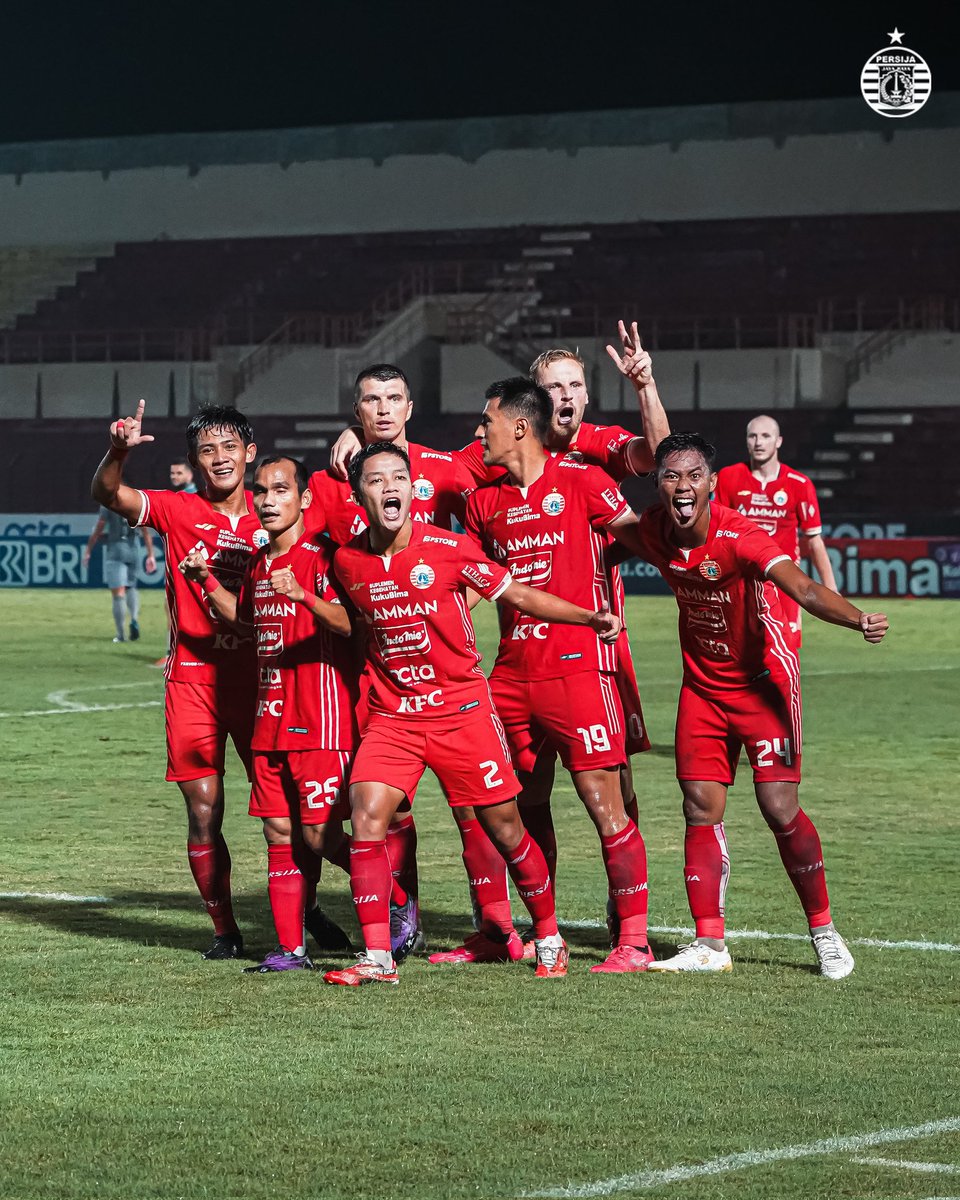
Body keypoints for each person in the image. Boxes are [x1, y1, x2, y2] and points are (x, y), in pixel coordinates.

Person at [323, 441, 623, 987]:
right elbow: (352, 624)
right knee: (365, 816)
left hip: (462, 711)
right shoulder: (348, 560)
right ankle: (378, 959)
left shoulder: (451, 548)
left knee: (505, 829)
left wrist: (587, 616)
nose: (389, 487)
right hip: (395, 717)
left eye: (398, 478)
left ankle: (549, 937)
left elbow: (520, 596)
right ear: (359, 492)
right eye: (376, 480)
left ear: (412, 489)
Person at [629, 432, 887, 978]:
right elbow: (597, 533)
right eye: (671, 476)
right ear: (658, 487)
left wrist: (856, 618)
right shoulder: (652, 530)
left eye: (694, 475)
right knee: (699, 809)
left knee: (778, 808)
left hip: (763, 684)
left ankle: (823, 931)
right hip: (701, 690)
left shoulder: (739, 536)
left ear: (712, 484)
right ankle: (709, 943)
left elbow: (804, 589)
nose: (682, 485)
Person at [458, 377, 659, 973]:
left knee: (605, 803)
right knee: (496, 803)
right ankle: (512, 931)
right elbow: (469, 585)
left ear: (519, 426)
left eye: (487, 420)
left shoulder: (584, 482)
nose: (479, 431)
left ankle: (634, 941)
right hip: (511, 674)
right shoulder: (481, 503)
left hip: (578, 669)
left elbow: (643, 540)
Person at [92, 400, 262, 960]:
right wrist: (118, 449)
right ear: (194, 461)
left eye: (229, 447)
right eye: (207, 450)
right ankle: (224, 930)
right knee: (204, 807)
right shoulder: (177, 510)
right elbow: (108, 494)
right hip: (193, 682)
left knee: (287, 811)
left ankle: (303, 907)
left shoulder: (275, 513)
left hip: (266, 681)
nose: (220, 459)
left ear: (249, 454)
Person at [182, 455, 356, 972]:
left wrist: (303, 595)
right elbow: (251, 619)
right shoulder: (259, 562)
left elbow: (351, 623)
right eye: (261, 491)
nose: (267, 500)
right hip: (270, 718)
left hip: (320, 719)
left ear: (304, 499)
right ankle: (290, 950)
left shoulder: (327, 558)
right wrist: (206, 580)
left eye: (280, 491)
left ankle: (395, 898)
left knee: (319, 836)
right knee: (278, 834)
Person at [713, 414, 839, 647]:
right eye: (753, 436)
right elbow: (716, 531)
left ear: (778, 441)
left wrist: (830, 589)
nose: (758, 442)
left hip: (784, 583)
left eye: (765, 436)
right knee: (738, 652)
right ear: (746, 441)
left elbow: (814, 540)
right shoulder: (729, 477)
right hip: (740, 581)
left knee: (785, 652)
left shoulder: (799, 484)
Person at [83, 506, 157, 641]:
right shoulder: (135, 504)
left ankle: (121, 635)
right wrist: (151, 555)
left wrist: (88, 550)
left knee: (118, 594)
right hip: (134, 550)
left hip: (115, 550)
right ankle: (134, 619)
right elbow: (146, 532)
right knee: (131, 587)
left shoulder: (108, 505)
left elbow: (99, 528)